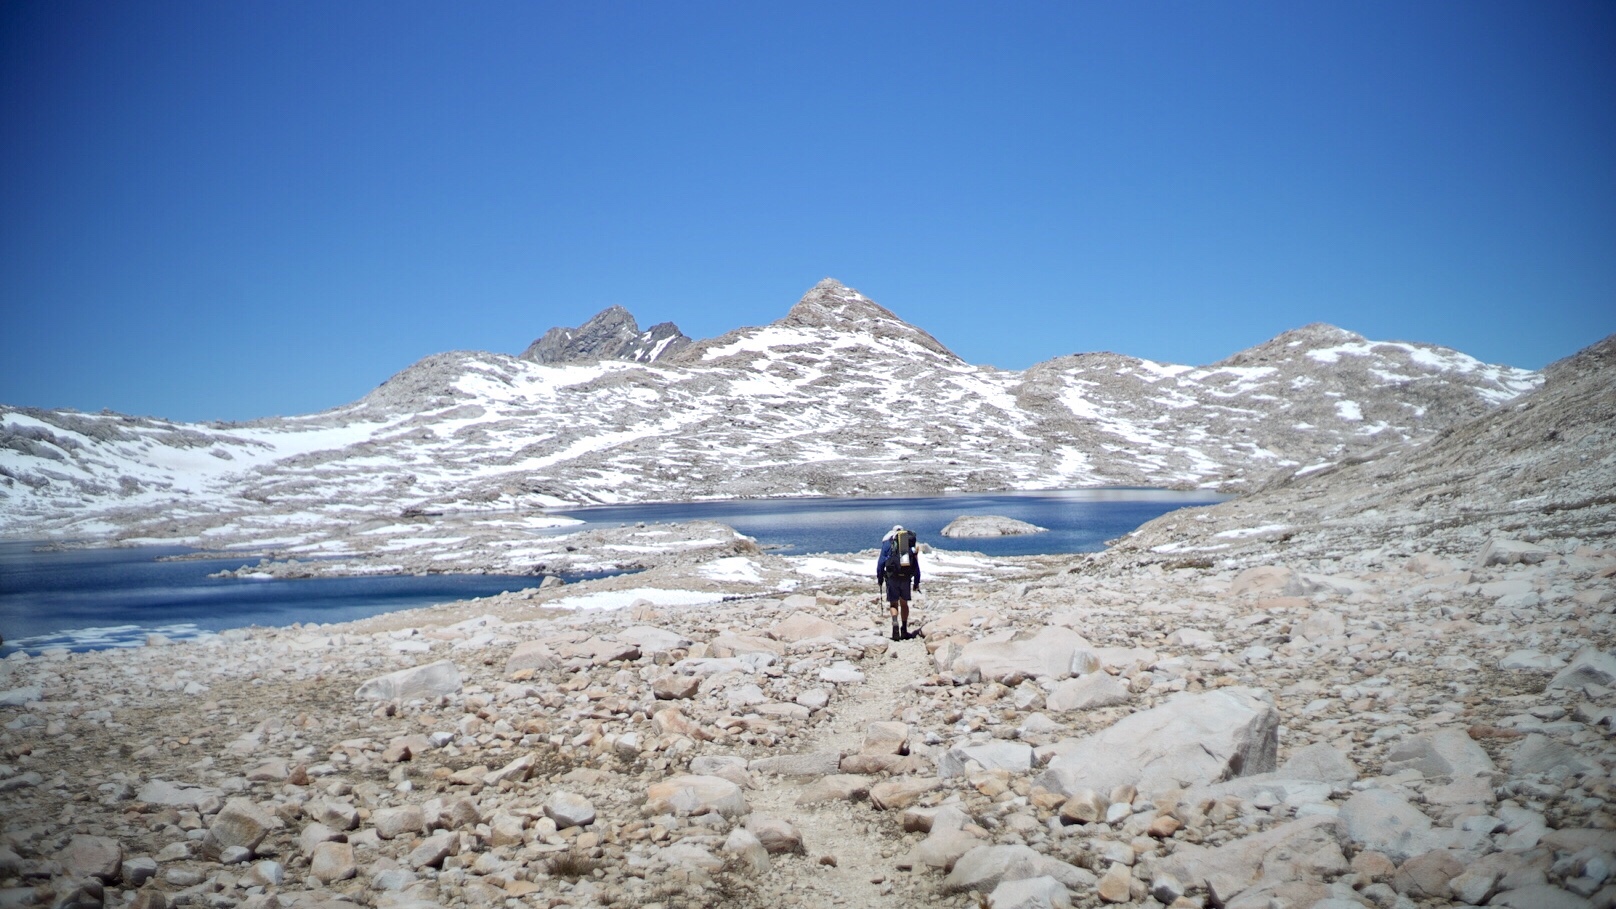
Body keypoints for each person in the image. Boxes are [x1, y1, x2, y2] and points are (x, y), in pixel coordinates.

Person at [876, 524, 921, 641]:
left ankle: (895, 622)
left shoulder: (887, 544)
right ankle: (904, 629)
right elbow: (916, 565)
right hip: (906, 577)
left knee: (893, 604)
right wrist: (916, 581)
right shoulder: (909, 544)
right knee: (904, 603)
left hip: (892, 577)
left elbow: (881, 563)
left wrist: (880, 578)